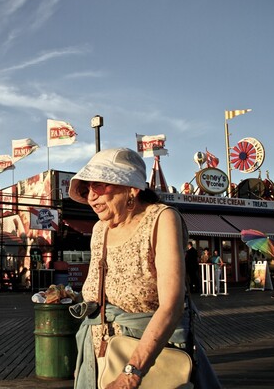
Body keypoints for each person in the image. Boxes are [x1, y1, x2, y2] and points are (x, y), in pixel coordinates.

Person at [68, 148, 219, 388]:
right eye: (86, 190)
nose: (90, 197)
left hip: (151, 356)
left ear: (131, 187)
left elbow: (172, 306)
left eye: (97, 186)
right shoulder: (100, 229)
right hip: (100, 351)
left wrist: (131, 373)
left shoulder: (161, 218)